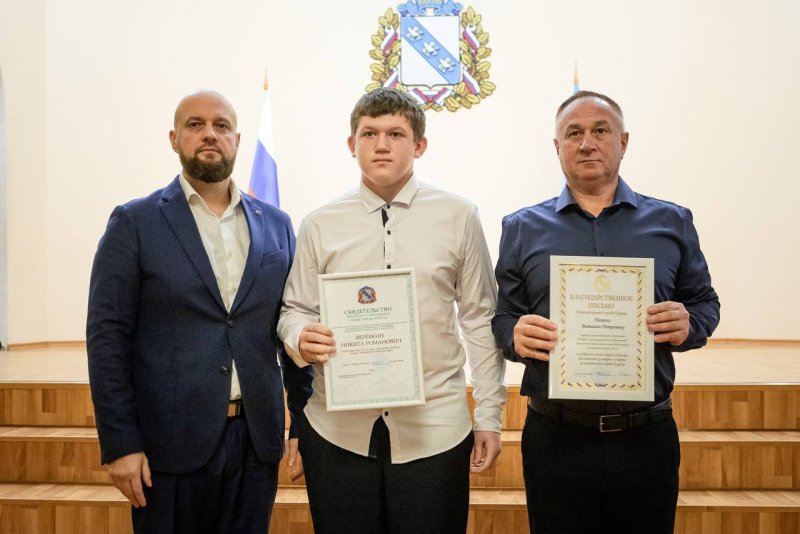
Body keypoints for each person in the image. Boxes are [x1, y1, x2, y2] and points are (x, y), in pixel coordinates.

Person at [277, 87, 506, 534]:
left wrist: (490, 416)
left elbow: (479, 319)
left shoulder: (459, 216)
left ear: (419, 145)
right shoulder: (320, 224)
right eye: (370, 133)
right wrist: (300, 336)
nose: (381, 144)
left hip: (436, 431)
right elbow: (293, 309)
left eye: (396, 134)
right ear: (352, 144)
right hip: (337, 432)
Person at [492, 90, 720, 534]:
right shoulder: (521, 228)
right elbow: (503, 317)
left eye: (600, 131)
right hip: (555, 439)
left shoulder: (671, 222)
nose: (586, 143)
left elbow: (705, 302)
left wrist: (689, 324)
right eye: (573, 133)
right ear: (557, 146)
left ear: (623, 141)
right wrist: (513, 335)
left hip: (646, 438)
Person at [86, 89, 313, 533]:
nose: (210, 134)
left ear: (237, 140)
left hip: (256, 440)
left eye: (221, 126)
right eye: (195, 125)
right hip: (169, 444)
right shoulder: (135, 223)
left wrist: (301, 421)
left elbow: (292, 323)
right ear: (174, 139)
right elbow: (107, 339)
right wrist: (120, 442)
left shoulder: (277, 225)